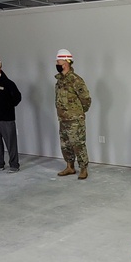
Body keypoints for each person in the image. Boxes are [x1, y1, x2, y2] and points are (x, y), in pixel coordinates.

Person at [53, 48, 91, 180]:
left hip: (75, 119)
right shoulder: (59, 80)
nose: (56, 63)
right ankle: (70, 166)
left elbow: (86, 99)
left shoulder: (76, 80)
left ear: (66, 62)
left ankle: (83, 168)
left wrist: (79, 113)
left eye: (58, 60)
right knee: (65, 144)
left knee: (78, 144)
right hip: (63, 119)